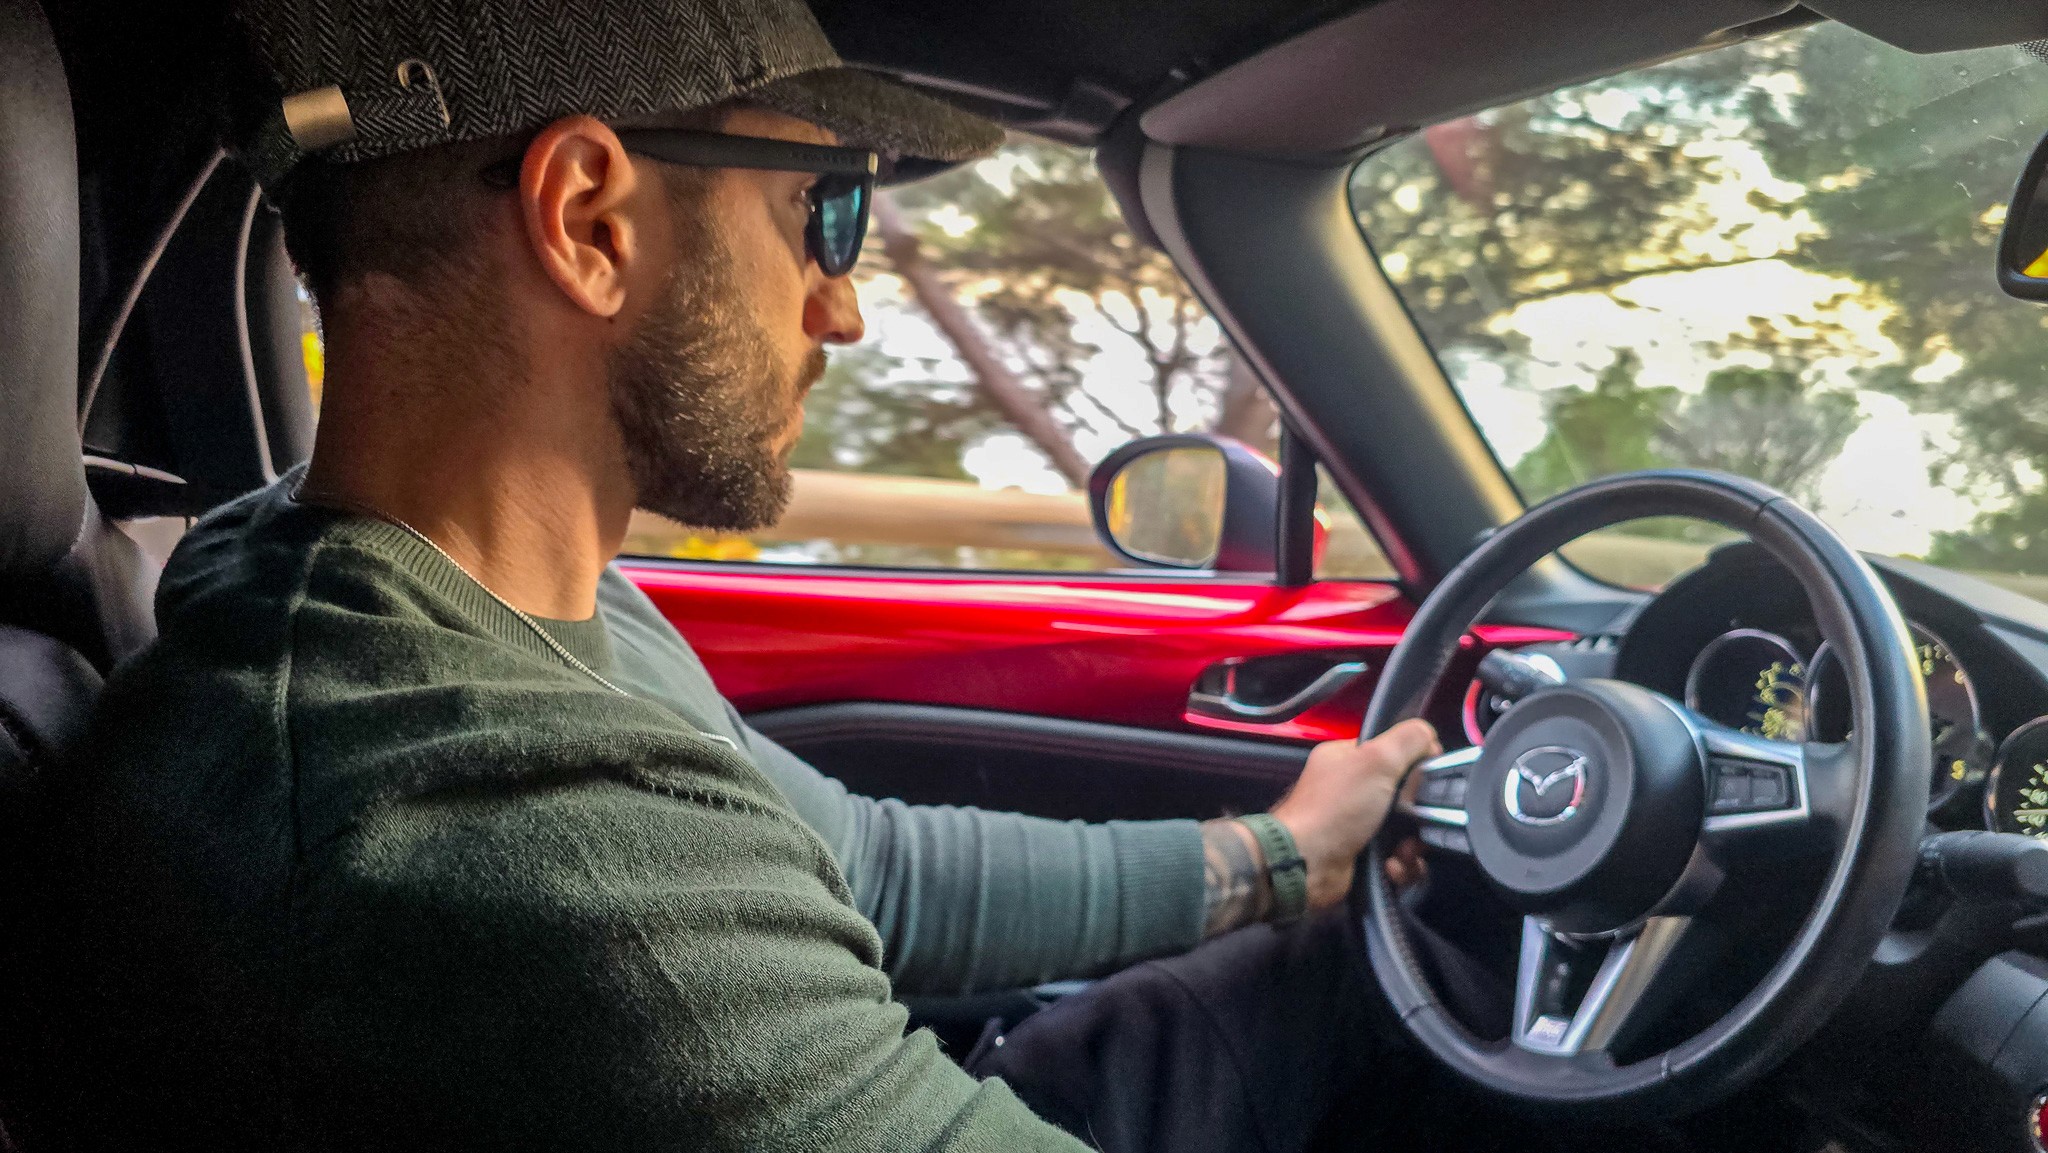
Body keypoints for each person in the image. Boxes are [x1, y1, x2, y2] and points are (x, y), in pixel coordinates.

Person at [36, 0, 1442, 1149]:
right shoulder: (499, 828)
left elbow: (873, 865)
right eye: (821, 214)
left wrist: (1280, 854)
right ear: (589, 219)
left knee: (1350, 975)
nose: (848, 304)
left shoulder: (427, 585)